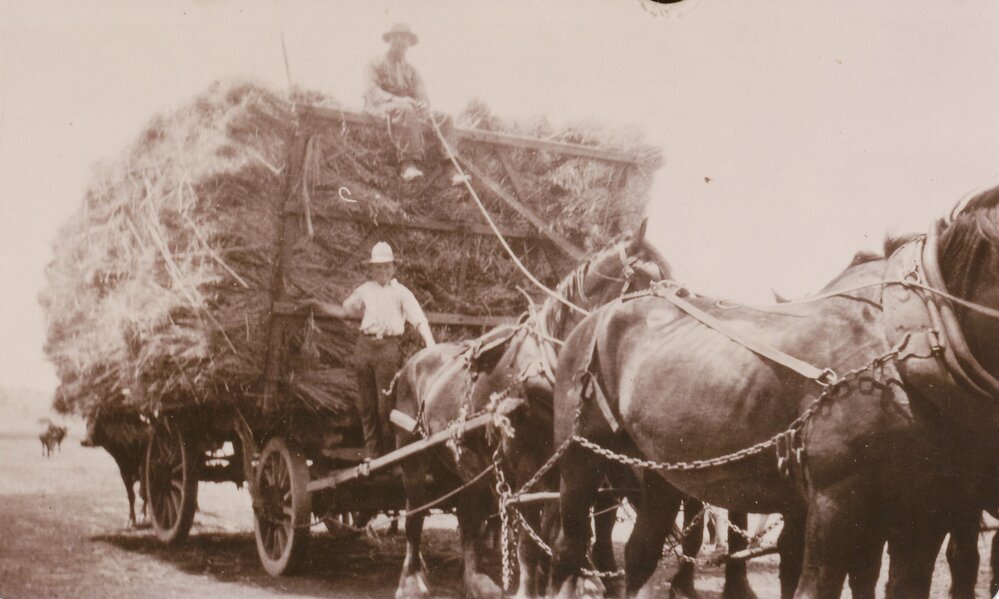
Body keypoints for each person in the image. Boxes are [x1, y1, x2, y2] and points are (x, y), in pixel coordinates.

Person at [303, 242, 435, 459]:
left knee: (385, 407)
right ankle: (373, 453)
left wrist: (431, 345)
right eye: (378, 267)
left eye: (386, 267)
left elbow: (419, 320)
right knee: (367, 405)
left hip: (388, 350)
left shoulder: (402, 293)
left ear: (393, 268)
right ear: (372, 270)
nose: (382, 271)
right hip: (365, 348)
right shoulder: (365, 290)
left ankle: (390, 453)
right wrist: (318, 305)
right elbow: (345, 311)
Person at [364, 23, 468, 185]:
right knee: (406, 109)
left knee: (445, 118)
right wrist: (397, 99)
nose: (400, 42)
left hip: (408, 110)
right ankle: (408, 164)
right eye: (396, 37)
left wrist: (423, 105)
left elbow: (422, 96)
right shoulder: (375, 63)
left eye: (404, 38)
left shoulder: (412, 71)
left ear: (409, 43)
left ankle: (451, 168)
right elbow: (371, 91)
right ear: (390, 40)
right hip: (380, 107)